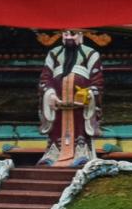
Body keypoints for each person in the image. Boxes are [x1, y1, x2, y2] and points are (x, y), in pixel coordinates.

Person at [38, 29, 104, 164]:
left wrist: (88, 94)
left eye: (72, 34)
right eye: (65, 34)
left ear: (80, 35)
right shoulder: (53, 54)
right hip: (57, 104)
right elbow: (45, 79)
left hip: (81, 106)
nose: (69, 37)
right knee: (56, 130)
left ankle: (82, 152)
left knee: (80, 130)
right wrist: (49, 94)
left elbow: (97, 82)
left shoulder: (91, 54)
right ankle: (53, 154)